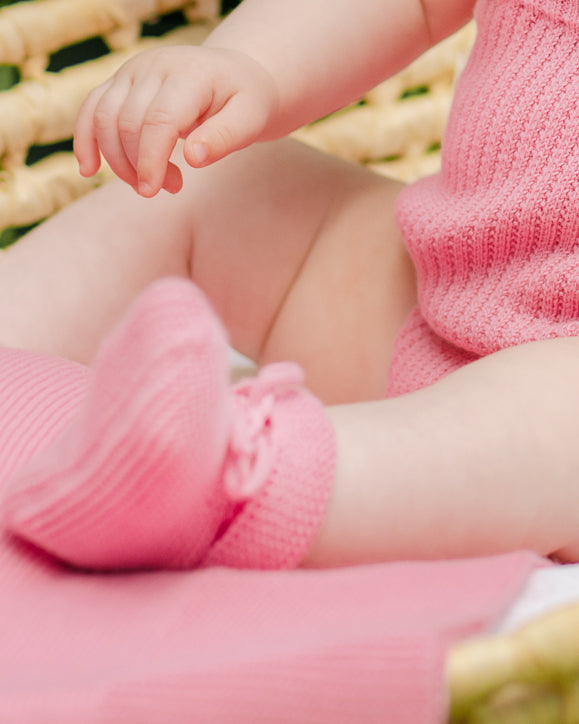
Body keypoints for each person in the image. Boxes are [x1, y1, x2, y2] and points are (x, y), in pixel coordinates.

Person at [1, 0, 578, 571]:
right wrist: (249, 63)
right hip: (427, 292)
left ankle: (240, 483)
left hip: (552, 411)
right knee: (225, 187)